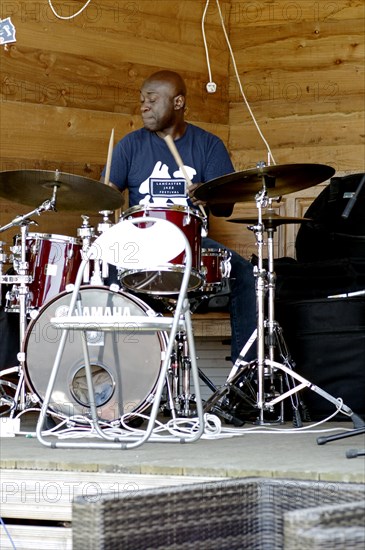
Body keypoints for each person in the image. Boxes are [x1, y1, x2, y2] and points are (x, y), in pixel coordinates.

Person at [101, 70, 257, 364]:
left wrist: (209, 195)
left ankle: (244, 374)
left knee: (245, 275)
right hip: (140, 244)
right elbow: (104, 197)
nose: (143, 106)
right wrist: (101, 195)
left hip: (193, 246)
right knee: (106, 272)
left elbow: (225, 209)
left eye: (152, 99)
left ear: (178, 102)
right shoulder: (130, 145)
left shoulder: (208, 145)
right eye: (141, 100)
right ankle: (118, 373)